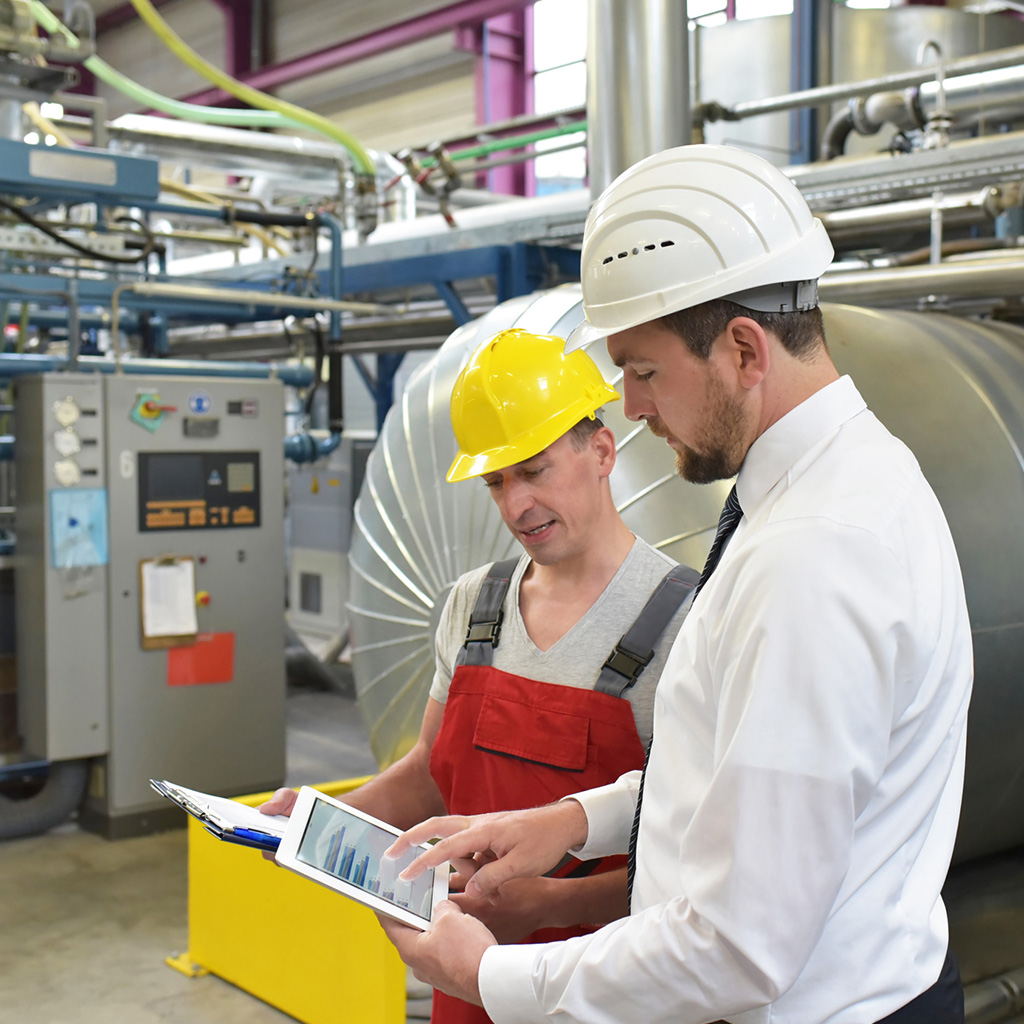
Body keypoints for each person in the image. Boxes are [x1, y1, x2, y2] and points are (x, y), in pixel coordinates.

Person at [379, 144, 974, 1024]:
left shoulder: (813, 554)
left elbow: (738, 945)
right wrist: (572, 821)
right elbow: (732, 775)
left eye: (644, 370)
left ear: (743, 350)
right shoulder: (837, 484)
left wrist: (491, 977)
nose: (630, 405)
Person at [261, 327, 698, 1024]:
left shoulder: (688, 619)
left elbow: (699, 855)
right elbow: (429, 773)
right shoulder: (475, 603)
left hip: (603, 989)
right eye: (497, 481)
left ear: (601, 451)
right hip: (466, 978)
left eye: (534, 471)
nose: (515, 506)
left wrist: (553, 904)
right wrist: (313, 822)